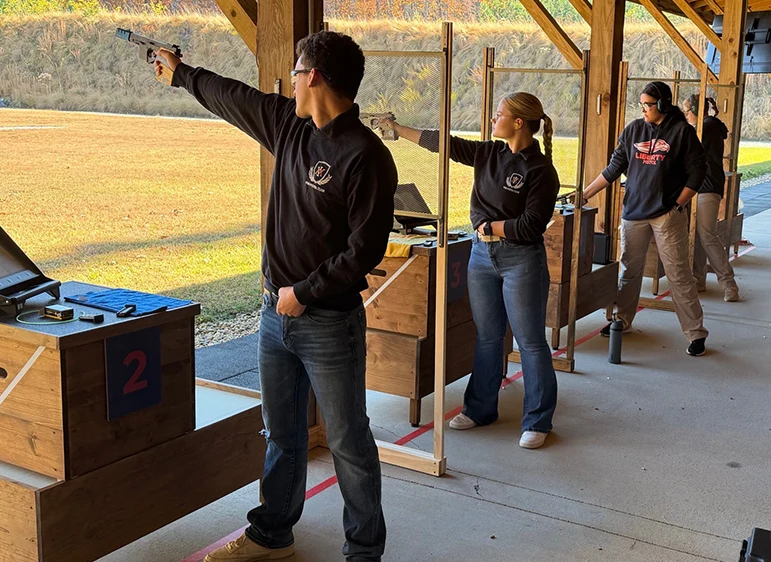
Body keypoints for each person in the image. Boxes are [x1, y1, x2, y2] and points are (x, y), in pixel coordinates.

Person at [153, 31, 396, 562]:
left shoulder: (366, 156)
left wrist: (304, 293)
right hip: (274, 316)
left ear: (316, 77)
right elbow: (231, 96)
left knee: (349, 443)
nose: (290, 75)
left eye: (298, 67)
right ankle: (271, 535)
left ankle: (363, 552)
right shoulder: (289, 125)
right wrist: (183, 73)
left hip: (328, 323)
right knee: (281, 434)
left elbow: (363, 251)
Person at [382, 93, 560, 449]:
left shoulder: (541, 171)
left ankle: (537, 420)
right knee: (488, 337)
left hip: (521, 261)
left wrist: (492, 228)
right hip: (482, 258)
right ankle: (480, 410)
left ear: (519, 122)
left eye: (499, 115)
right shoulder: (490, 153)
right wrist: (397, 129)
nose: (494, 120)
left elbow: (530, 226)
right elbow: (445, 145)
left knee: (530, 342)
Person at [576, 81, 709, 356]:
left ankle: (695, 333)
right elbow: (614, 167)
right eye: (642, 104)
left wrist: (678, 205)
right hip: (634, 213)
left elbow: (698, 172)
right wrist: (586, 193)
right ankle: (621, 320)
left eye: (648, 104)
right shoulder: (634, 129)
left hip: (667, 215)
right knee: (629, 270)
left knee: (678, 274)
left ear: (662, 104)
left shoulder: (682, 132)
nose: (644, 109)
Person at [681, 94, 739, 302]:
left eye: (687, 111)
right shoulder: (706, 125)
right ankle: (698, 279)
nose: (685, 115)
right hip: (697, 186)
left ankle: (728, 283)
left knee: (706, 235)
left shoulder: (707, 126)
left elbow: (688, 149)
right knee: (696, 235)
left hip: (706, 186)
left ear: (695, 111)